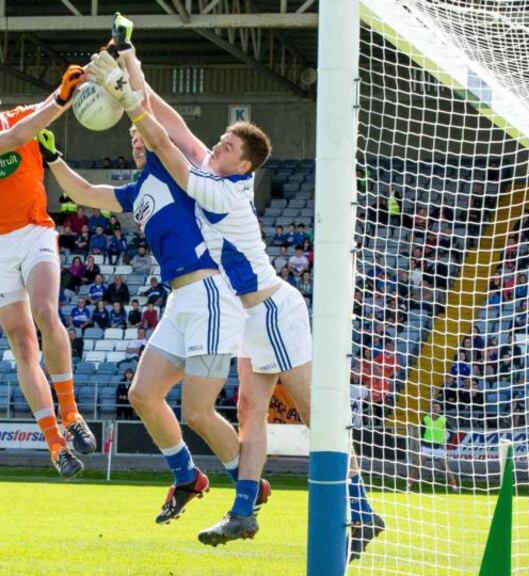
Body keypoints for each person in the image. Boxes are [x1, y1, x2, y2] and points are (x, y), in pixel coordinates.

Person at [96, 36, 381, 546]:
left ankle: (359, 507)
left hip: (269, 308)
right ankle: (244, 512)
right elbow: (173, 122)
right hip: (245, 316)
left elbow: (163, 142)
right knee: (250, 412)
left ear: (244, 165)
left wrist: (128, 100)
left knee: (317, 412)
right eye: (221, 141)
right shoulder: (213, 166)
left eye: (227, 145)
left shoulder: (223, 190)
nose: (217, 145)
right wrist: (131, 59)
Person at [41, 71, 246, 524]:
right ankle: (187, 477)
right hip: (179, 301)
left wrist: (128, 79)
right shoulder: (137, 191)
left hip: (210, 294)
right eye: (131, 137)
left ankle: (249, 488)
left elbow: (161, 122)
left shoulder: (175, 169)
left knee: (198, 411)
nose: (137, 140)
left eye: (140, 133)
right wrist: (53, 158)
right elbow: (85, 193)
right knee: (143, 393)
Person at [0, 63, 96, 477]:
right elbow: (17, 137)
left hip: (34, 232)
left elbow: (47, 106)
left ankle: (71, 413)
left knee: (47, 314)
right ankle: (54, 444)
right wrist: (61, 99)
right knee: (22, 343)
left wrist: (79, 77)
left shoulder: (21, 116)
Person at [407, 402, 458, 492]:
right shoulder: (425, 419)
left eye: (436, 407)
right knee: (417, 467)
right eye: (433, 407)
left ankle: (455, 488)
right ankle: (408, 487)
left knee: (445, 468)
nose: (434, 409)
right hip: (426, 447)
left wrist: (447, 443)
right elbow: (421, 432)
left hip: (438, 448)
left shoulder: (443, 419)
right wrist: (421, 443)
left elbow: (452, 432)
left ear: (440, 409)